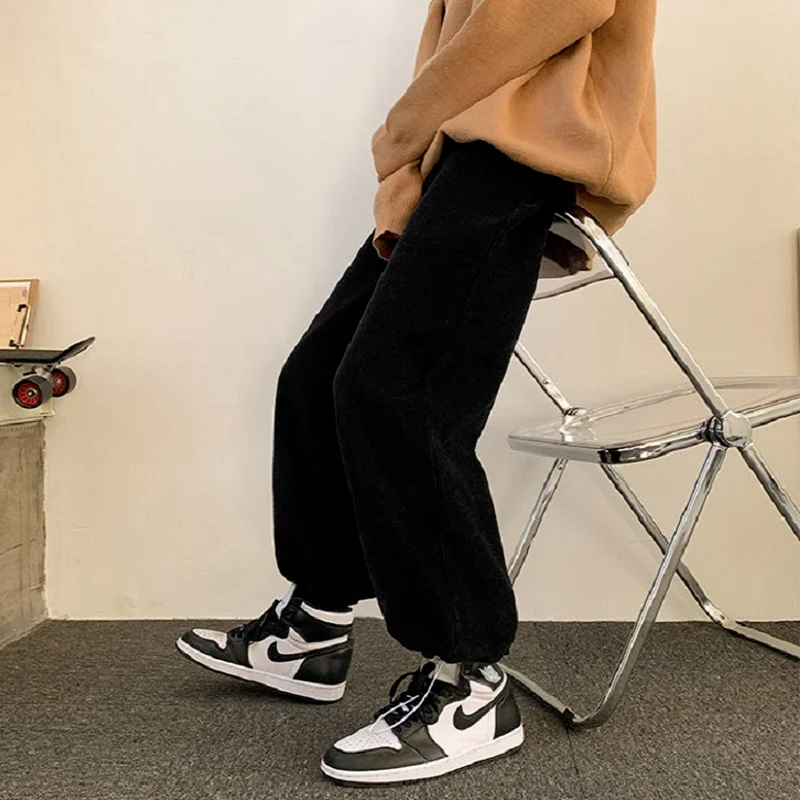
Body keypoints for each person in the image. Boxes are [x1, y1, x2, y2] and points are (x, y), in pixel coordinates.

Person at [177, 0, 657, 785]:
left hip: (527, 147)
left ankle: (471, 683)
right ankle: (315, 630)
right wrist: (411, 171)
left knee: (400, 392)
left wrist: (403, 127)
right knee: (319, 376)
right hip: (458, 154)